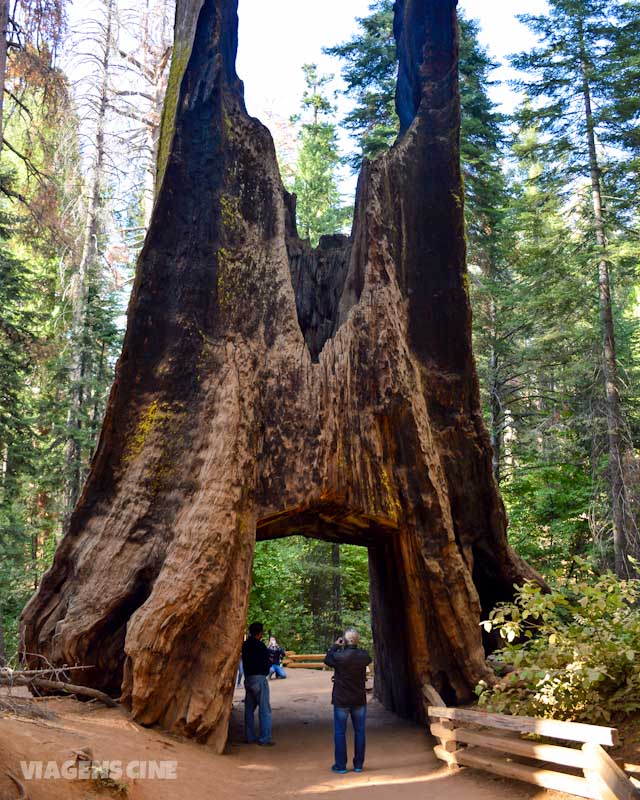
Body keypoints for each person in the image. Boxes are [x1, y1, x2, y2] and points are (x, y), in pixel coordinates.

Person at [324, 627, 372, 774]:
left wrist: (335, 646)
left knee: (340, 732)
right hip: (358, 698)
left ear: (344, 640)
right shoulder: (364, 656)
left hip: (341, 699)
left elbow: (327, 659)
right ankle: (358, 765)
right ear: (357, 640)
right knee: (360, 732)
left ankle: (340, 766)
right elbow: (368, 659)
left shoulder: (339, 657)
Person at [242, 621, 275, 746]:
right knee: (265, 710)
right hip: (259, 679)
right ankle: (265, 738)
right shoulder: (260, 646)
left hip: (248, 679)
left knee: (249, 710)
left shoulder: (245, 645)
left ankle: (249, 736)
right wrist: (269, 662)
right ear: (260, 633)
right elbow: (266, 663)